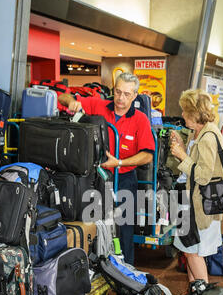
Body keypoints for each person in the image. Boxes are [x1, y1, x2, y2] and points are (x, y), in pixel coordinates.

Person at [58, 73, 155, 265]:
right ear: (113, 90)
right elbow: (62, 97)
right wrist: (72, 103)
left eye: (127, 94)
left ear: (135, 95)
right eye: (118, 92)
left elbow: (148, 155)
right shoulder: (98, 105)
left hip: (125, 180)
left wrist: (119, 162)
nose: (121, 98)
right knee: (95, 224)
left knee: (124, 229)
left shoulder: (140, 119)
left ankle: (126, 275)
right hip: (96, 180)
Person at [170, 88, 223, 285]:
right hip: (192, 201)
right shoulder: (202, 132)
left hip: (198, 204)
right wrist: (184, 150)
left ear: (194, 113)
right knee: (189, 250)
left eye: (185, 111)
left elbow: (203, 176)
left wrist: (182, 156)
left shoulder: (208, 137)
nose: (183, 114)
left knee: (193, 252)